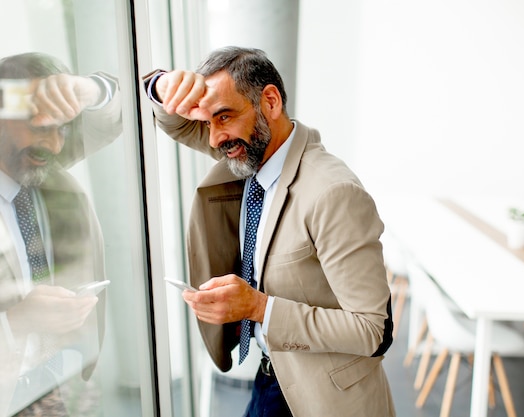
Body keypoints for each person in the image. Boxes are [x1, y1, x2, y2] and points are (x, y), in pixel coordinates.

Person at [144, 46, 395, 417]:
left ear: (271, 102)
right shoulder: (248, 150)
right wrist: (162, 85)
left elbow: (372, 331)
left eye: (223, 116)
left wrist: (258, 307)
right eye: (208, 121)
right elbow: (177, 122)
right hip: (270, 374)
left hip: (324, 395)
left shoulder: (332, 193)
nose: (213, 139)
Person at [0, 52, 122, 416]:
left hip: (61, 383)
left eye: (63, 129)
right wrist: (17, 323)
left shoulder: (38, 161)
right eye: (41, 127)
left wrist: (87, 89)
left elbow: (118, 114)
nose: (55, 146)